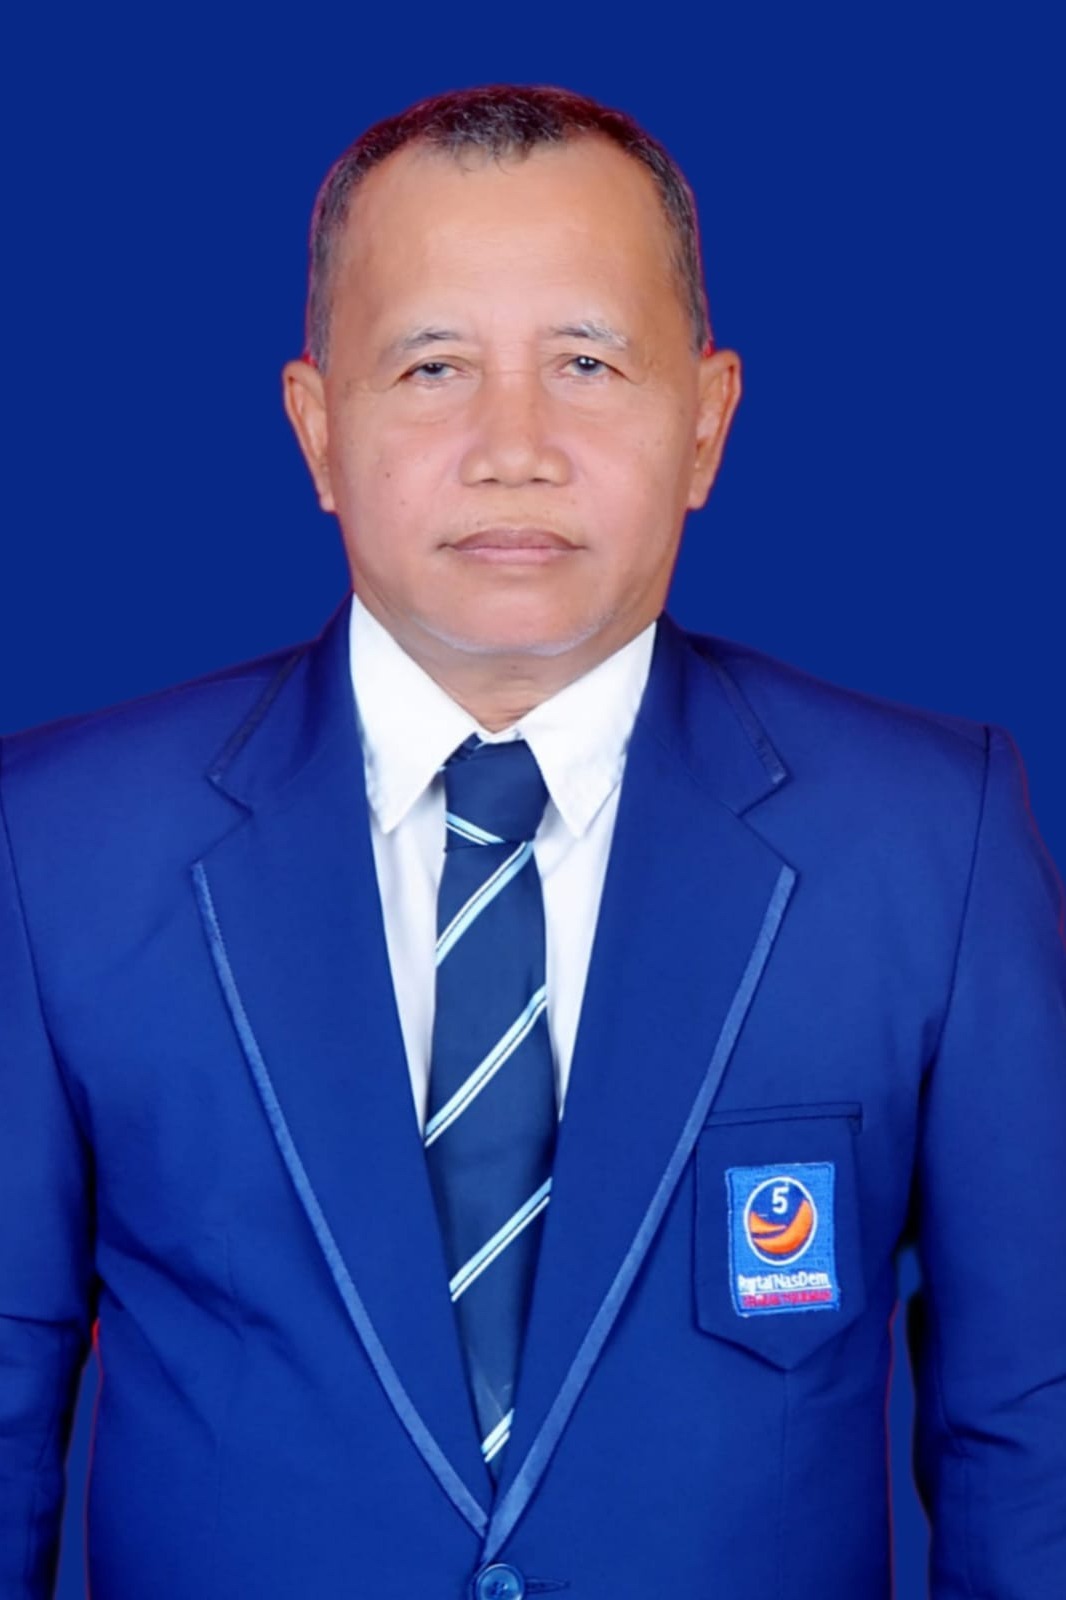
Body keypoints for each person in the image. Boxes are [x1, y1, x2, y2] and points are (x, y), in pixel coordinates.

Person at [1, 81, 1063, 1600]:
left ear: (705, 421)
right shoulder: (58, 847)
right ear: (318, 427)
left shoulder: (925, 841)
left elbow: (1030, 1427)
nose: (514, 448)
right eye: (432, 366)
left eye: (585, 363)